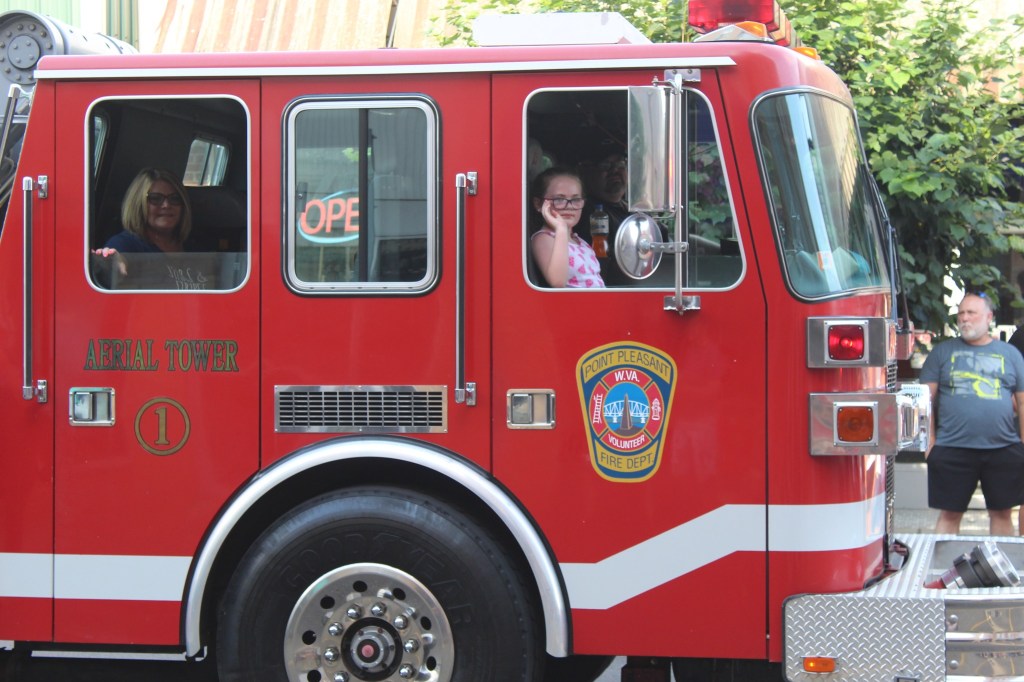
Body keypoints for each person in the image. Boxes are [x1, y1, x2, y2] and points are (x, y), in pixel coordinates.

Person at [920, 292, 1024, 536]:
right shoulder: (942, 353)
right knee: (949, 514)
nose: (965, 319)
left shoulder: (1010, 355)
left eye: (971, 313)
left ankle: (1001, 571)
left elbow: (1021, 399)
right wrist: (929, 442)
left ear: (989, 317)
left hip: (1003, 448)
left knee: (1002, 513)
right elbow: (924, 399)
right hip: (952, 447)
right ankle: (941, 572)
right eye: (961, 314)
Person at [92, 168, 194, 287]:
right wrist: (112, 262)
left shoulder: (193, 246)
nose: (166, 205)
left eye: (174, 199)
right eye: (155, 198)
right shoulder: (125, 243)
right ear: (138, 204)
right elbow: (116, 260)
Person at [529, 166, 604, 288]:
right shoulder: (543, 238)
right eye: (559, 199)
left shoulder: (580, 241)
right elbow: (558, 282)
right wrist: (561, 228)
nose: (569, 206)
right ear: (538, 204)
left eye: (576, 199)